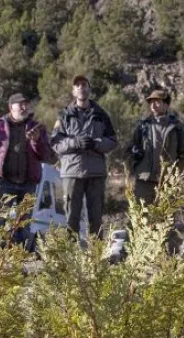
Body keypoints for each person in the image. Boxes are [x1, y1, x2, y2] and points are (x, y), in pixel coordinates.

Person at [51, 75, 118, 237]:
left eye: (84, 84)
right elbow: (56, 144)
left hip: (96, 173)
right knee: (71, 218)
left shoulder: (101, 114)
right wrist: (75, 143)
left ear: (89, 89)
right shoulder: (64, 115)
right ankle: (71, 258)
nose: (81, 87)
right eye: (77, 85)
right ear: (74, 91)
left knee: (96, 219)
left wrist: (96, 144)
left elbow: (112, 141)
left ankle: (96, 259)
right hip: (72, 174)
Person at [0, 93, 53, 205]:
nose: (24, 108)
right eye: (21, 104)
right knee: (0, 220)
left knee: (24, 222)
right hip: (3, 183)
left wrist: (37, 140)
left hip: (28, 186)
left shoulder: (37, 128)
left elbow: (46, 156)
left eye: (26, 104)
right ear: (11, 107)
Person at [127, 89, 184, 205]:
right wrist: (134, 166)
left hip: (167, 182)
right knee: (142, 219)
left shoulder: (176, 128)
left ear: (166, 105)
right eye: (151, 102)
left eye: (157, 102)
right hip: (144, 180)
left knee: (165, 220)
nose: (153, 105)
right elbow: (130, 149)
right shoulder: (143, 126)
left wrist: (175, 173)